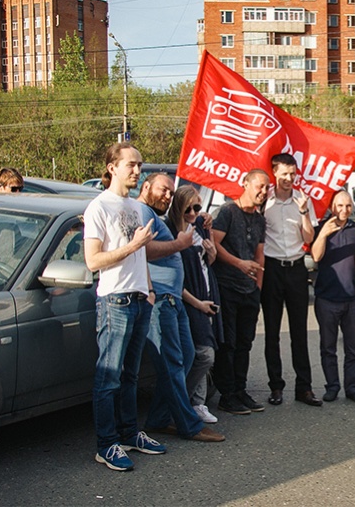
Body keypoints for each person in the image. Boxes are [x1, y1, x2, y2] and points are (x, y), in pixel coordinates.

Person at [83, 142, 163, 471]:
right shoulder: (98, 207)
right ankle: (106, 444)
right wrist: (133, 245)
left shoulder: (133, 206)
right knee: (109, 378)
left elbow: (140, 252)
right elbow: (92, 261)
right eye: (130, 164)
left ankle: (130, 433)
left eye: (139, 165)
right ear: (112, 167)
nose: (136, 170)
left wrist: (148, 286)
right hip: (114, 300)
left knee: (131, 376)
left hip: (139, 297)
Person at [137, 174, 225, 443]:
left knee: (186, 357)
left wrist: (203, 221)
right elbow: (145, 251)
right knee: (174, 363)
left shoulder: (158, 216)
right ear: (146, 187)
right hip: (161, 300)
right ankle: (189, 424)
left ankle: (160, 418)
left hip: (173, 300)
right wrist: (180, 244)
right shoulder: (143, 213)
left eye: (170, 192)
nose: (167, 195)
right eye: (164, 190)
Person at [261, 153, 321, 407]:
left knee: (300, 331)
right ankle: (276, 386)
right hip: (272, 269)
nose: (288, 179)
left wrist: (304, 212)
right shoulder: (265, 201)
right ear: (274, 172)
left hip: (296, 269)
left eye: (292, 174)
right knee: (272, 332)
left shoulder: (302, 200)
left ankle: (304, 388)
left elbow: (309, 239)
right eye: (284, 173)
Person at [212, 169, 269, 415]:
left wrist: (258, 287)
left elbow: (259, 254)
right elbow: (212, 243)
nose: (263, 192)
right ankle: (227, 394)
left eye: (267, 188)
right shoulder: (226, 212)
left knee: (246, 343)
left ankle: (240, 390)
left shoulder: (259, 219)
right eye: (260, 186)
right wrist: (238, 264)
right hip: (227, 287)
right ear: (245, 184)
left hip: (249, 292)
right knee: (229, 344)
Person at [166, 185, 224, 424]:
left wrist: (211, 253)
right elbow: (172, 276)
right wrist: (197, 304)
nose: (192, 213)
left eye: (197, 207)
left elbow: (208, 261)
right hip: (188, 297)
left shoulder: (200, 225)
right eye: (187, 208)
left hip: (206, 290)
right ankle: (180, 401)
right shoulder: (170, 230)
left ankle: (197, 403)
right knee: (203, 353)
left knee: (205, 350)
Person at [311, 191, 355, 404]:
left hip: (352, 297)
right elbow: (316, 256)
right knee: (328, 347)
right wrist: (324, 233)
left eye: (348, 205)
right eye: (339, 205)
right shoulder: (321, 226)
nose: (344, 210)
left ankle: (353, 388)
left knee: (353, 347)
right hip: (326, 297)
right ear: (331, 206)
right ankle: (332, 386)